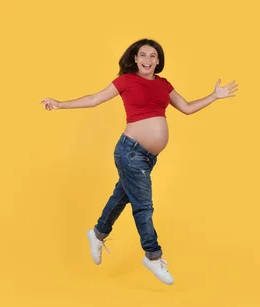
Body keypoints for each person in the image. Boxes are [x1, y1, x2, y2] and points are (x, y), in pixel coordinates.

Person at [40, 38, 239, 285]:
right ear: (135, 58)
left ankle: (98, 233)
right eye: (143, 55)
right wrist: (59, 104)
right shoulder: (126, 80)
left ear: (158, 61)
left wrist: (214, 96)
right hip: (130, 151)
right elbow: (94, 99)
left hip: (148, 157)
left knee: (121, 196)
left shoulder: (163, 84)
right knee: (143, 205)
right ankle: (153, 256)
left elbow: (187, 108)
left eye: (152, 56)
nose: (147, 60)